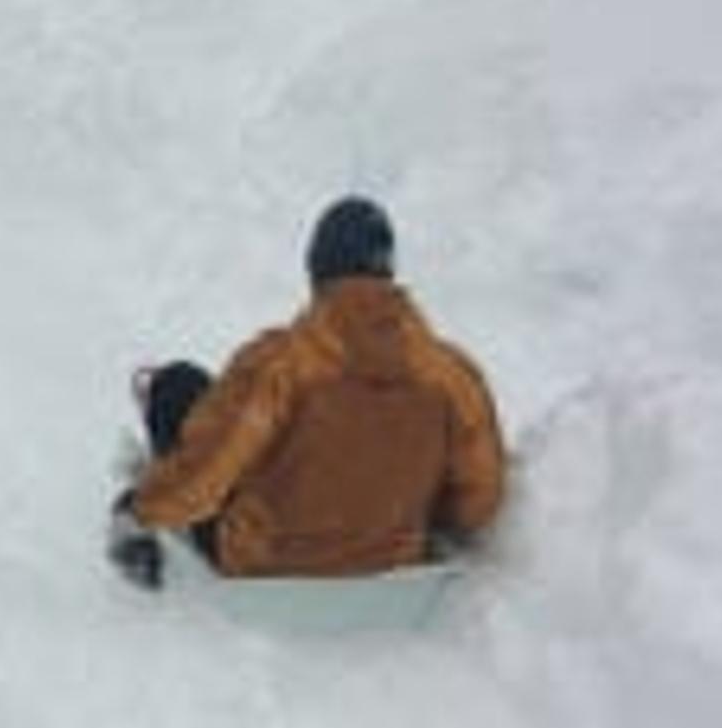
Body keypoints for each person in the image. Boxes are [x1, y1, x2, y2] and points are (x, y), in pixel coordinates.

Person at [107, 196, 507, 589]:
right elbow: (479, 499)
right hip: (390, 559)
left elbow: (209, 472)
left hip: (267, 561)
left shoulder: (281, 363)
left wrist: (140, 510)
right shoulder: (451, 373)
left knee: (177, 386)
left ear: (317, 269)